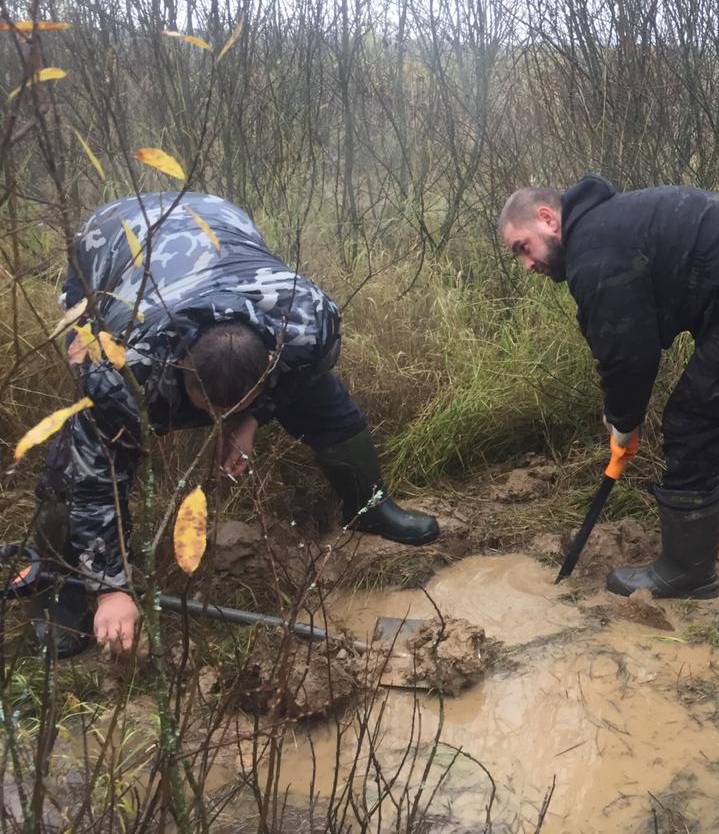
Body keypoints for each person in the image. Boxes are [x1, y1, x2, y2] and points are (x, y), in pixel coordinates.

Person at [31, 192, 439, 659]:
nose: (214, 420)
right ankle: (61, 584)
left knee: (324, 403)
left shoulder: (304, 323)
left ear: (270, 361)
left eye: (235, 404)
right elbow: (93, 479)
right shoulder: (122, 368)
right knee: (77, 463)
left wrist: (250, 419)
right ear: (180, 364)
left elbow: (300, 380)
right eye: (205, 407)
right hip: (111, 243)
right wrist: (111, 588)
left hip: (215, 219)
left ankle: (369, 507)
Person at [499, 174, 719, 598]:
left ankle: (688, 573)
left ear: (548, 218)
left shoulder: (594, 253)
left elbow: (628, 353)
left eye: (523, 247)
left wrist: (622, 422)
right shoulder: (605, 226)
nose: (527, 264)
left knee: (692, 420)